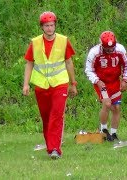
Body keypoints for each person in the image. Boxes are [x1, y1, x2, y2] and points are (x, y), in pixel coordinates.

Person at [22, 11, 78, 159]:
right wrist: (26, 84)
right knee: (46, 117)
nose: (49, 28)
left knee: (56, 115)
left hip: (60, 83)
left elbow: (68, 62)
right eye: (46, 26)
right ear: (42, 27)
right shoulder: (35, 43)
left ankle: (55, 149)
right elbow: (29, 63)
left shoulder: (63, 41)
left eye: (52, 25)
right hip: (41, 85)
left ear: (55, 25)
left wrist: (73, 83)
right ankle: (50, 146)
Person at [85, 31, 127, 141]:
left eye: (112, 48)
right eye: (107, 49)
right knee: (107, 103)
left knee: (116, 107)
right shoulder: (94, 52)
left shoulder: (120, 49)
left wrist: (125, 79)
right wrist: (97, 81)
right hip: (101, 82)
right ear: (102, 45)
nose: (110, 51)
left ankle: (114, 133)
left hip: (115, 81)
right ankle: (103, 130)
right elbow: (89, 70)